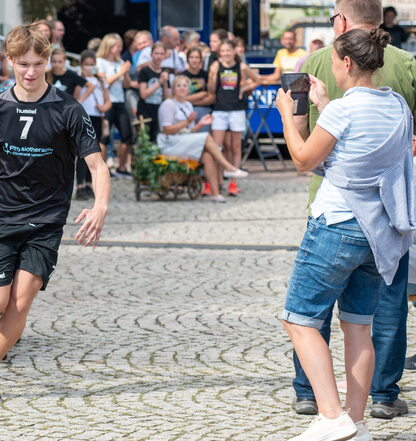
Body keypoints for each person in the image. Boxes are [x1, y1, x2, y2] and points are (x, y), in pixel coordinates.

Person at [0, 22, 110, 404]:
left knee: (21, 301)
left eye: (38, 63)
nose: (30, 72)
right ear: (10, 61)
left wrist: (100, 206)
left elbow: (96, 165)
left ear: (48, 60)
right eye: (23, 64)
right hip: (0, 213)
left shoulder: (69, 109)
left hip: (46, 220)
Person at [276, 27, 414, 441]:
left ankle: (332, 415)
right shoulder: (397, 107)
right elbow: (361, 145)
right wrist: (325, 103)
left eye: (335, 61)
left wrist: (288, 113)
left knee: (298, 320)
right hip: (378, 231)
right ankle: (356, 421)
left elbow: (303, 159)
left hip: (336, 224)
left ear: (348, 63)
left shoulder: (341, 112)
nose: (332, 68)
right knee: (358, 327)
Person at [158, 75, 248, 203]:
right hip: (170, 143)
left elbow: (190, 131)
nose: (182, 88)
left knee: (208, 156)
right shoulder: (168, 104)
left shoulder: (188, 105)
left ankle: (215, 193)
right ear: (173, 89)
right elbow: (166, 129)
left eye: (185, 86)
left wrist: (200, 124)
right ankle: (228, 167)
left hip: (184, 141)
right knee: (206, 136)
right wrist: (186, 122)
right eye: (178, 86)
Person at [208, 39, 260, 197]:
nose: (225, 54)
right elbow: (211, 89)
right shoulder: (216, 65)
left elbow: (257, 80)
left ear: (234, 52)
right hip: (220, 110)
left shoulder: (242, 67)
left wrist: (243, 88)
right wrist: (212, 73)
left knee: (235, 147)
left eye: (228, 51)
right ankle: (217, 181)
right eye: (222, 51)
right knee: (217, 147)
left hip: (237, 110)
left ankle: (233, 183)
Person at [96, 33, 134, 177]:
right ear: (109, 47)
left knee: (127, 134)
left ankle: (122, 167)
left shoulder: (120, 62)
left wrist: (126, 73)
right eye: (116, 46)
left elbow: (127, 84)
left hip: (120, 101)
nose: (119, 49)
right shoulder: (100, 62)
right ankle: (103, 168)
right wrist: (120, 73)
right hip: (107, 101)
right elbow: (104, 83)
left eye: (120, 46)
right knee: (104, 136)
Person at [76, 49, 111, 200]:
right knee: (82, 153)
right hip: (83, 116)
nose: (89, 68)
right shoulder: (79, 80)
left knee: (94, 151)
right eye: (86, 65)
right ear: (81, 65)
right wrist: (87, 89)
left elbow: (107, 100)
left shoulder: (100, 81)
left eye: (92, 64)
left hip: (96, 116)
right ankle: (80, 186)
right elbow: (77, 98)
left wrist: (105, 107)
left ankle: (90, 184)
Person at [137, 43, 168, 142]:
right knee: (144, 141)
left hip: (159, 111)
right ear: (151, 54)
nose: (159, 56)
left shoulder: (165, 72)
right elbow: (143, 94)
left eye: (161, 54)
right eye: (156, 53)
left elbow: (167, 97)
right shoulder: (145, 71)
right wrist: (159, 82)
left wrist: (165, 82)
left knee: (156, 140)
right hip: (145, 110)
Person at [184, 47, 213, 134]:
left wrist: (191, 100)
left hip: (204, 110)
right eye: (192, 57)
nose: (194, 60)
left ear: (201, 59)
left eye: (197, 57)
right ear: (187, 59)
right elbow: (180, 98)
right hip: (186, 110)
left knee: (204, 137)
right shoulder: (182, 75)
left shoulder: (206, 75)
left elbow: (211, 98)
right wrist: (202, 94)